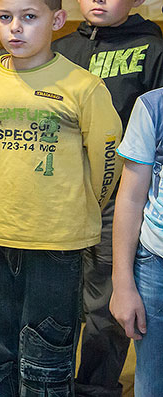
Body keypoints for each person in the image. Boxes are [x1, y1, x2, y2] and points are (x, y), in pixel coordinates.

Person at [0, 0, 122, 395]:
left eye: (29, 17)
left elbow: (107, 163)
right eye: (5, 17)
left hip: (56, 242)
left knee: (46, 352)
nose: (15, 28)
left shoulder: (84, 87)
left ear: (57, 19)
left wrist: (78, 208)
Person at [51, 0, 163, 396]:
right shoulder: (59, 49)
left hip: (119, 201)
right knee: (57, 297)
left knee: (106, 305)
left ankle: (94, 387)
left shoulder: (152, 48)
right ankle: (48, 381)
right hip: (60, 196)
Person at [109, 84, 163, 396]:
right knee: (153, 381)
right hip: (156, 264)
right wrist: (123, 285)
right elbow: (130, 198)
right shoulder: (153, 107)